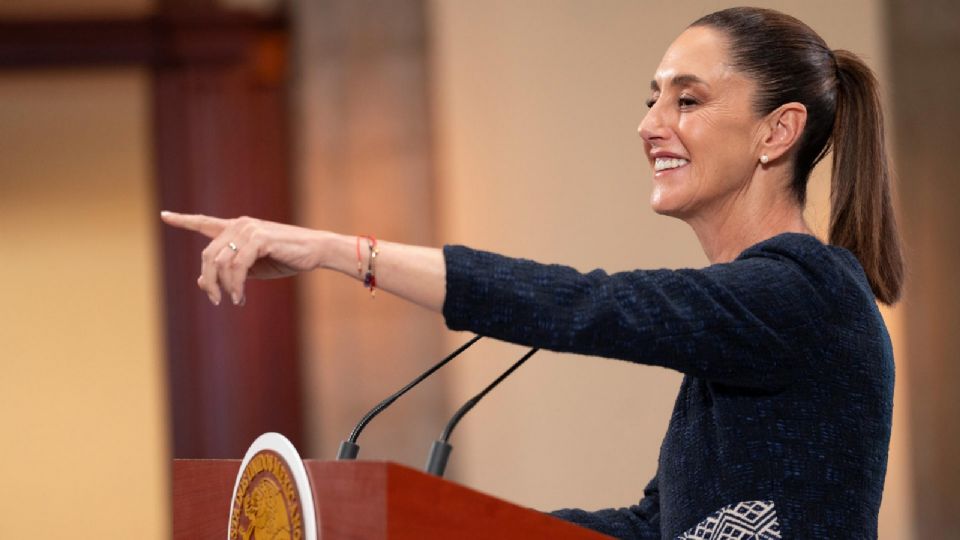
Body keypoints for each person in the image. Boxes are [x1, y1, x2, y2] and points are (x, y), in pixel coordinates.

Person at [161, 7, 902, 539]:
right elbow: (660, 526)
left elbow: (592, 305)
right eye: (651, 99)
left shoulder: (805, 293)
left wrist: (337, 251)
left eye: (688, 99)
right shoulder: (761, 308)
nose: (650, 123)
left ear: (778, 132)